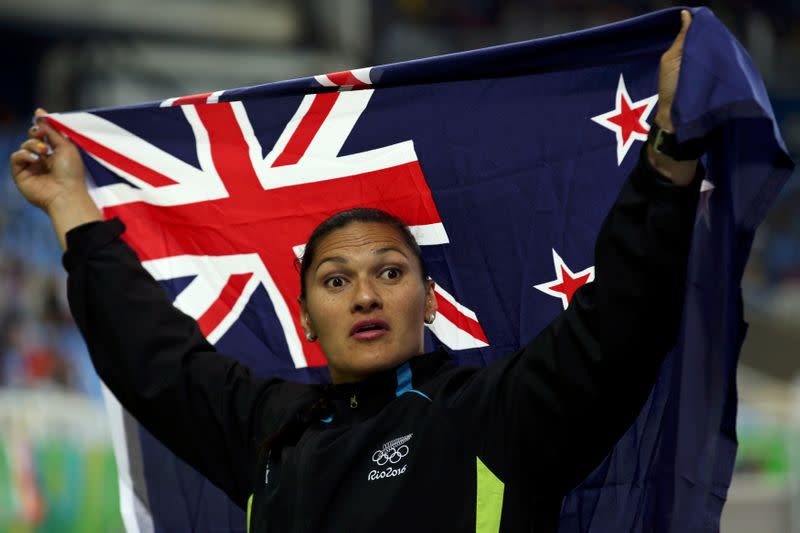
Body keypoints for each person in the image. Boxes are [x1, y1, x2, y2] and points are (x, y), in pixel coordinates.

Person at [11, 11, 701, 533]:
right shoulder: (273, 433)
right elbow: (155, 358)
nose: (365, 294)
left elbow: (621, 322)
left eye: (391, 272)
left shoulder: (495, 413)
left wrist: (667, 152)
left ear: (430, 300)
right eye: (336, 280)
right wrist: (72, 205)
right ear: (307, 315)